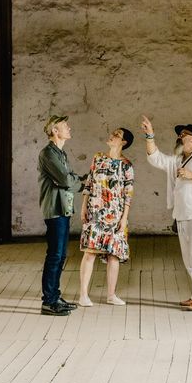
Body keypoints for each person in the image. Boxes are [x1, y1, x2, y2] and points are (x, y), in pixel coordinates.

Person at [141, 115, 192, 310]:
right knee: (188, 258)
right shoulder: (177, 160)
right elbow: (155, 158)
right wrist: (150, 135)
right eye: (180, 134)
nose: (180, 136)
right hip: (181, 213)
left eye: (184, 134)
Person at [77, 127, 135, 306]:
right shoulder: (98, 158)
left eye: (117, 135)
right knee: (90, 252)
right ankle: (83, 295)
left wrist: (124, 218)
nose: (112, 136)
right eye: (113, 134)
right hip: (95, 211)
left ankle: (111, 295)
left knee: (113, 255)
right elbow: (88, 183)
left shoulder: (126, 165)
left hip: (116, 214)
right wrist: (83, 206)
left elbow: (128, 194)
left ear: (123, 142)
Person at [38, 114, 85, 316]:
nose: (69, 128)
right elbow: (66, 180)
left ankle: (55, 296)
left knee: (61, 255)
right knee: (55, 255)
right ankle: (48, 301)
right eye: (65, 126)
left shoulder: (60, 154)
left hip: (63, 208)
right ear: (55, 131)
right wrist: (81, 184)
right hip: (55, 209)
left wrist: (76, 180)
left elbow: (69, 177)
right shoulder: (48, 154)